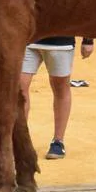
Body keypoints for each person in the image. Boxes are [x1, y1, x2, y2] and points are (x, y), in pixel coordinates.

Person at [20, 31, 76, 159]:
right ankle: (19, 140)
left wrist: (88, 40)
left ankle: (58, 141)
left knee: (60, 88)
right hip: (28, 39)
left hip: (61, 42)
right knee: (19, 90)